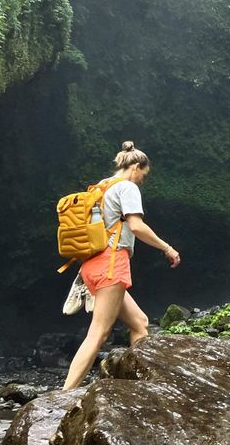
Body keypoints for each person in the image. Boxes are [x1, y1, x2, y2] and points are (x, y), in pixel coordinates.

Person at [63, 142, 180, 389]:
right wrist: (167, 248)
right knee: (98, 333)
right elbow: (136, 226)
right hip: (111, 264)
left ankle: (136, 386)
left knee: (140, 322)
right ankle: (65, 393)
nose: (142, 181)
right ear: (135, 167)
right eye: (143, 175)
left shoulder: (103, 186)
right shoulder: (127, 187)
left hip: (91, 265)